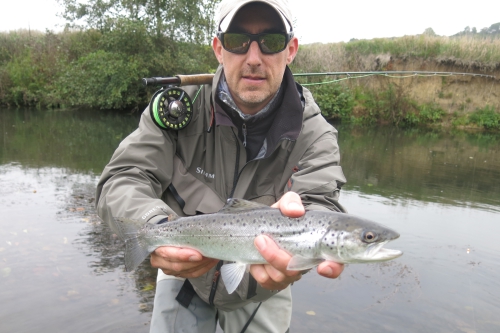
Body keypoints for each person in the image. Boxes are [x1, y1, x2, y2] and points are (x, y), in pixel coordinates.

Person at [96, 0, 347, 332]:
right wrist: (153, 224)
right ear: (218, 48)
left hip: (264, 284)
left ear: (291, 50)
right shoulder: (177, 110)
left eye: (271, 42)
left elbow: (321, 204)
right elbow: (122, 178)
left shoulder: (317, 135)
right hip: (184, 276)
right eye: (237, 41)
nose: (254, 58)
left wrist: (296, 252)